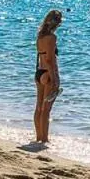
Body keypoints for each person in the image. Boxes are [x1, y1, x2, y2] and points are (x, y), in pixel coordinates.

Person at [33, 9, 63, 144]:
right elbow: (50, 60)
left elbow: (41, 57)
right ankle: (44, 139)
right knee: (46, 109)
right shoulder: (52, 38)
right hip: (48, 73)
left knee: (39, 107)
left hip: (39, 72)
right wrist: (55, 80)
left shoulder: (40, 36)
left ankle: (39, 137)